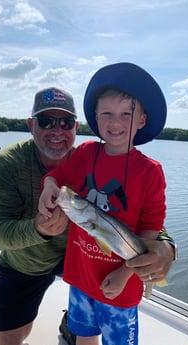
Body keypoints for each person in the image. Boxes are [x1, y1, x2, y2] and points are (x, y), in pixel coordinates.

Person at [0, 85, 176, 345]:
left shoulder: (86, 156)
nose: (56, 130)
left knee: (96, 320)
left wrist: (167, 248)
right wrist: (39, 227)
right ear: (31, 125)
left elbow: (142, 220)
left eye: (65, 122)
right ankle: (74, 324)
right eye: (46, 121)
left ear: (76, 127)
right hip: (28, 263)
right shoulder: (7, 164)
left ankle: (72, 326)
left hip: (83, 262)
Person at [39, 63, 172, 345]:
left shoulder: (150, 171)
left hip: (120, 287)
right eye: (107, 114)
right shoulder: (86, 153)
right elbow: (58, 176)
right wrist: (49, 186)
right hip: (80, 277)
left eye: (126, 114)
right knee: (84, 337)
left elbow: (151, 227)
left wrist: (125, 273)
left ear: (141, 121)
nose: (115, 122)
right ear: (96, 119)